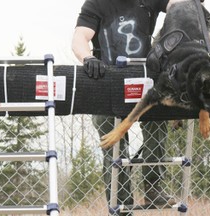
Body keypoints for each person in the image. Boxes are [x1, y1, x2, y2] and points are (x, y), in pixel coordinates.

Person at [72, 0, 176, 215]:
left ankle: (154, 186)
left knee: (156, 128)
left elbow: (177, 5)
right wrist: (87, 58)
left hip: (143, 77)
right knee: (113, 143)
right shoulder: (96, 3)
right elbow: (80, 37)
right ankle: (121, 203)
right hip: (107, 79)